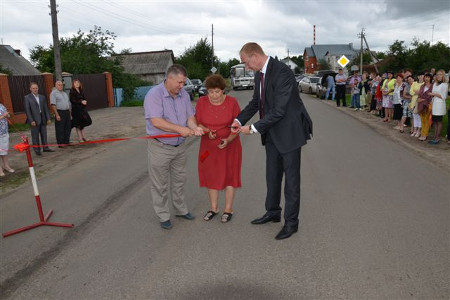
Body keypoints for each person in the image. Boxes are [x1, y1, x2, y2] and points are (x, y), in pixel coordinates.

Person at [230, 42, 312, 240]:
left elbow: (279, 110)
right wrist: (238, 120)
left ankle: (291, 223)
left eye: (246, 63)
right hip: (273, 134)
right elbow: (256, 103)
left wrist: (253, 128)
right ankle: (273, 212)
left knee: (291, 182)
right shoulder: (260, 73)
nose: (247, 67)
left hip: (290, 134)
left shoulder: (283, 72)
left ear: (256, 56)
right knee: (272, 176)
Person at [143, 64, 203, 230]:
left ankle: (180, 209)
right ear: (169, 78)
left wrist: (194, 127)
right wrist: (181, 129)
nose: (182, 86)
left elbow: (190, 116)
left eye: (183, 83)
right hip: (160, 147)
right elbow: (156, 121)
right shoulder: (154, 95)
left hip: (179, 147)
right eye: (179, 82)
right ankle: (163, 215)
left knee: (179, 180)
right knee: (159, 184)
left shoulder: (183, 94)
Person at [195, 74, 242, 223]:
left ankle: (228, 209)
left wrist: (228, 139)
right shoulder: (201, 102)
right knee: (211, 175)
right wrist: (206, 130)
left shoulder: (232, 102)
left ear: (223, 90)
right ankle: (213, 208)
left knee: (230, 175)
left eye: (217, 91)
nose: (214, 95)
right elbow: (198, 123)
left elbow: (237, 126)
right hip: (208, 147)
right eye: (210, 92)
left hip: (230, 145)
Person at [24, 82, 54, 155]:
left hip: (43, 118)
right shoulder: (27, 97)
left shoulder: (42, 97)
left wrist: (48, 118)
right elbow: (27, 110)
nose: (35, 89)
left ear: (38, 88)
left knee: (44, 134)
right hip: (34, 119)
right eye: (33, 88)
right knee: (35, 135)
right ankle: (37, 150)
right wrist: (31, 120)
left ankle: (45, 147)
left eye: (36, 88)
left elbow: (46, 108)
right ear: (30, 89)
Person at [428, 69, 449, 144]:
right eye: (437, 74)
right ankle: (435, 136)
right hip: (434, 104)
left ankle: (437, 137)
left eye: (440, 74)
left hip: (440, 105)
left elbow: (444, 96)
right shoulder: (435, 84)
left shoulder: (445, 85)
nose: (438, 76)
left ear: (443, 75)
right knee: (435, 121)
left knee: (439, 121)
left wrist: (433, 94)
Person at [50, 81, 72, 148]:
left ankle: (66, 141)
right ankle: (61, 143)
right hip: (60, 112)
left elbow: (68, 104)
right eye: (59, 85)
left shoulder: (65, 93)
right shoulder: (53, 93)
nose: (60, 86)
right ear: (56, 86)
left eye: (61, 85)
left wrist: (70, 114)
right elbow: (53, 104)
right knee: (60, 128)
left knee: (68, 127)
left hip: (67, 112)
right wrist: (57, 114)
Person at [417, 73, 434, 141]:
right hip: (421, 104)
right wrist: (419, 99)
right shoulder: (422, 86)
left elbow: (431, 96)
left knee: (426, 120)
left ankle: (425, 134)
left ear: (430, 78)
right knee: (422, 120)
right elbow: (419, 94)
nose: (426, 78)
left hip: (427, 105)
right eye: (426, 77)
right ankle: (422, 133)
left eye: (428, 77)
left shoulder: (432, 86)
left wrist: (424, 99)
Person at [0, 103, 14, 177]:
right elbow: (2, 116)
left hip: (4, 132)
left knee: (4, 150)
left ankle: (6, 165)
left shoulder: (1, 105)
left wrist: (8, 115)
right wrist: (3, 116)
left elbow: (7, 115)